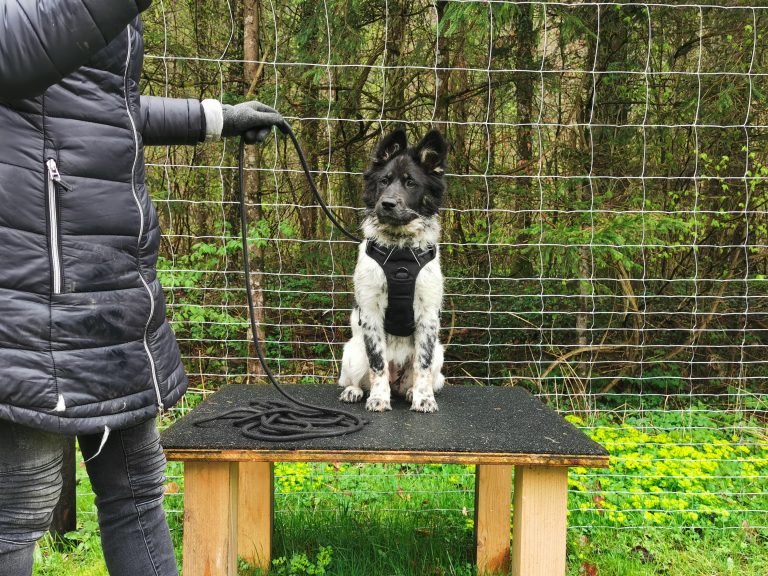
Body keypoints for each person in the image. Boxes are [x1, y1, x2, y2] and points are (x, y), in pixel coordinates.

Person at [0, 2, 285, 574]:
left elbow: (107, 106)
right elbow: (14, 53)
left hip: (115, 289)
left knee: (137, 494)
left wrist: (216, 117)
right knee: (17, 513)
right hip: (34, 298)